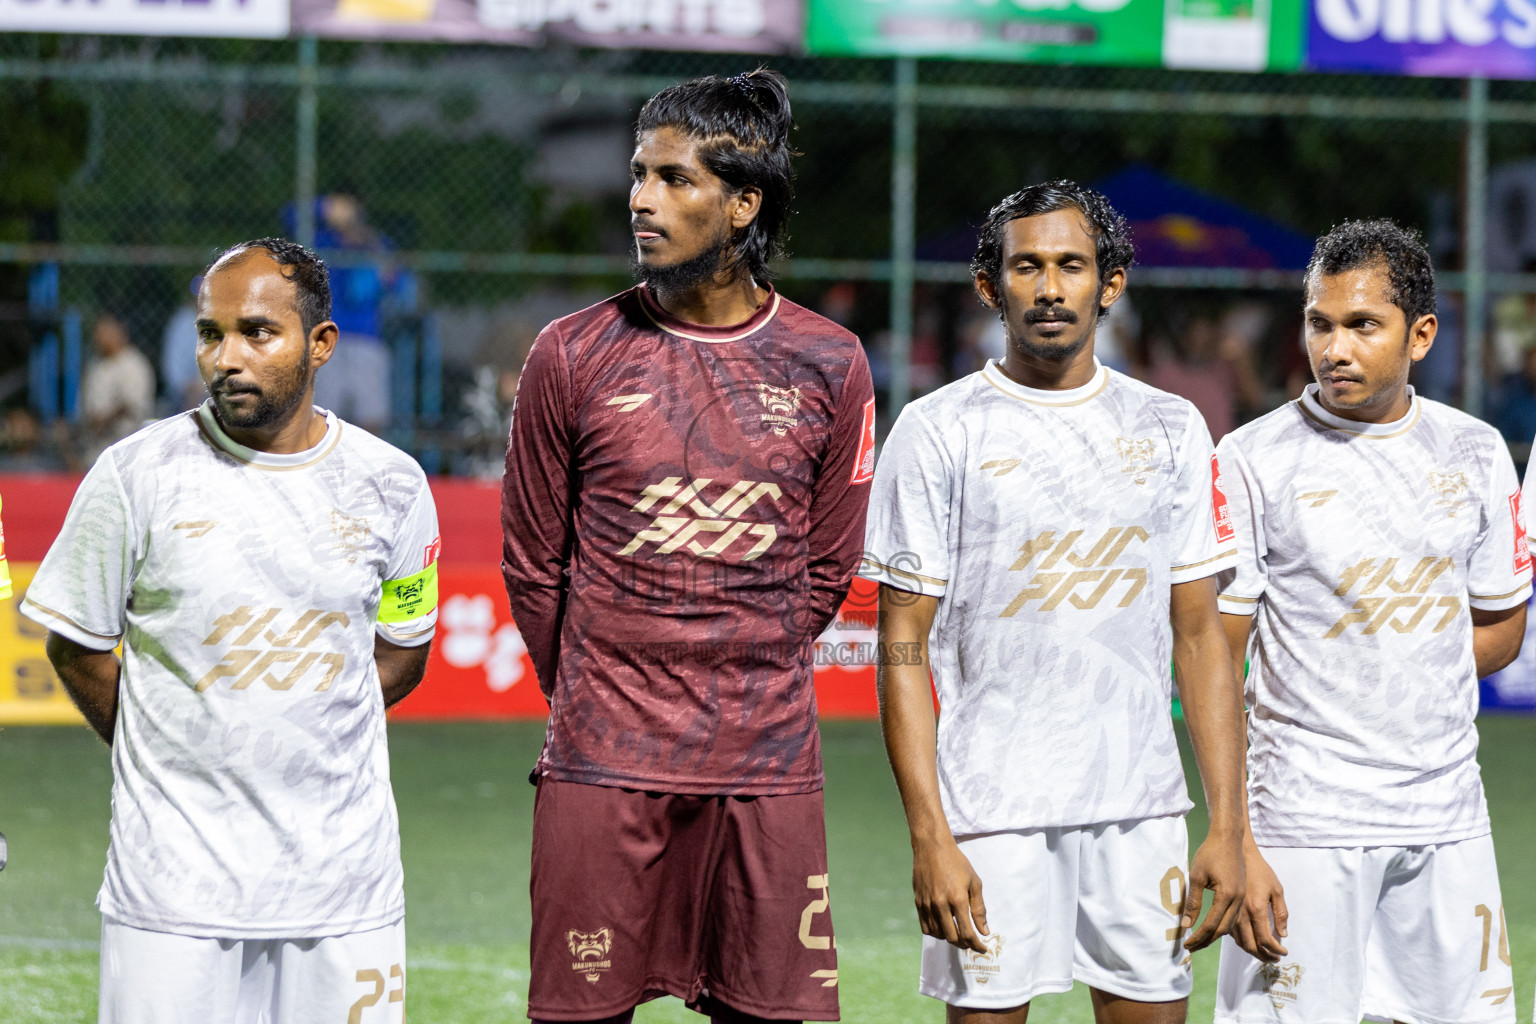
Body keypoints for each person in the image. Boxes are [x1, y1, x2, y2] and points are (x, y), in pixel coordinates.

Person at [501, 70, 875, 1024]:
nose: (639, 198)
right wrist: (603, 686)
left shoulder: (831, 361)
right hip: (603, 759)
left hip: (765, 763)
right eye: (638, 174)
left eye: (672, 178)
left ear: (743, 201)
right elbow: (535, 565)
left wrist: (732, 661)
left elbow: (828, 569)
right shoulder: (571, 353)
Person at [21, 238, 440, 1024]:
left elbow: (403, 651)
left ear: (321, 345)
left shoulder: (392, 485)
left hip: (344, 891)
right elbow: (75, 646)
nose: (226, 358)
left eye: (257, 332)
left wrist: (296, 735)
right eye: (211, 333)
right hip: (173, 891)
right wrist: (173, 747)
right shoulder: (135, 474)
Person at [864, 181, 1247, 1024]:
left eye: (1070, 266)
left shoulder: (1172, 427)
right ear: (989, 285)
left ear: (1109, 284)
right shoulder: (937, 430)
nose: (1048, 287)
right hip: (990, 814)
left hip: (1140, 807)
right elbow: (901, 644)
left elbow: (1200, 636)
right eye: (1026, 266)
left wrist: (1230, 826)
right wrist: (931, 834)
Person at [1214, 220, 1528, 1024]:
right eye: (1320, 322)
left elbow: (1502, 628)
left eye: (1362, 325)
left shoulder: (1477, 452)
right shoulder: (1252, 459)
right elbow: (1218, 659)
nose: (1335, 348)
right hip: (1302, 825)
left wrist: (1405, 663)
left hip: (1447, 817)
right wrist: (1238, 838)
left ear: (1420, 335)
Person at [80, 312, 155, 460]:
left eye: (105, 330)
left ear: (120, 331)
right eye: (98, 331)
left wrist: (104, 420)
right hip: (95, 446)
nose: (99, 336)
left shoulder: (134, 364)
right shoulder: (95, 366)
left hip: (127, 448)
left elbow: (132, 407)